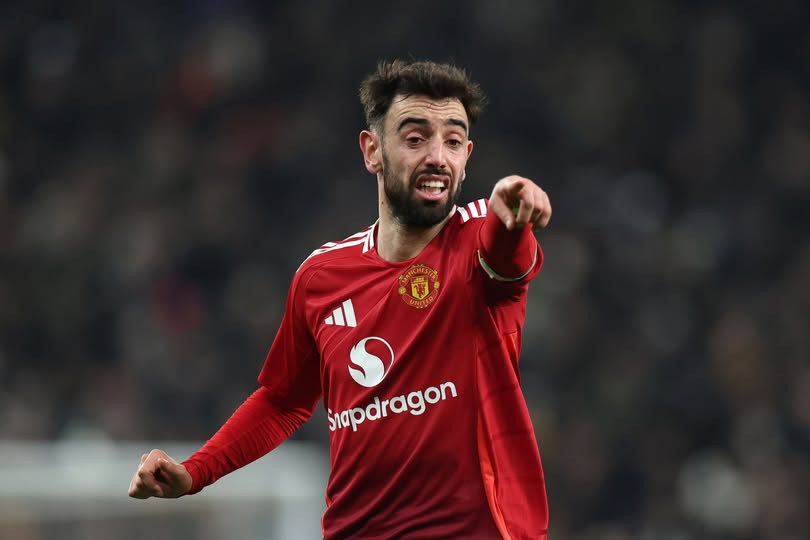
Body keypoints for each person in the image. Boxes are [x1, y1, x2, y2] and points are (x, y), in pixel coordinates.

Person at [128, 59, 552, 539]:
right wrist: (195, 472)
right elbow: (283, 400)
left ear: (467, 155)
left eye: (453, 141)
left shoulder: (479, 236)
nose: (438, 157)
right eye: (416, 139)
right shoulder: (321, 277)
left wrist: (514, 217)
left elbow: (506, 260)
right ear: (372, 151)